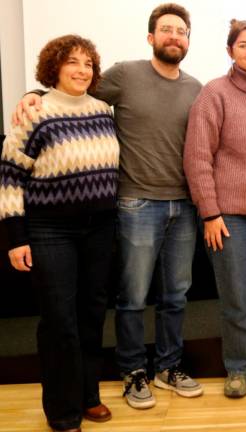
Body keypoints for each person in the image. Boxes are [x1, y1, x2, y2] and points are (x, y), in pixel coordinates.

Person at [13, 3, 203, 409]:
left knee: (176, 295)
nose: (174, 36)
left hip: (183, 206)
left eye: (181, 31)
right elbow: (68, 94)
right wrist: (32, 94)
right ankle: (133, 371)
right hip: (135, 203)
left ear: (188, 40)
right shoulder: (124, 75)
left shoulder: (195, 88)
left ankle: (168, 367)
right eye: (166, 29)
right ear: (151, 37)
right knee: (132, 297)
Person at [1, 35, 119, 432]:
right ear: (54, 67)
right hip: (51, 230)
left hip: (101, 229)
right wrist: (16, 236)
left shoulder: (103, 110)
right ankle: (62, 411)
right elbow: (10, 176)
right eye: (72, 62)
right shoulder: (35, 113)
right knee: (58, 320)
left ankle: (89, 396)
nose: (81, 69)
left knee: (91, 315)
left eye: (88, 63)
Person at [184, 19, 246, 398]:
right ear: (230, 51)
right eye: (243, 45)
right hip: (227, 217)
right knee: (236, 297)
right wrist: (210, 212)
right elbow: (197, 157)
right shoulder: (214, 94)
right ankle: (237, 367)